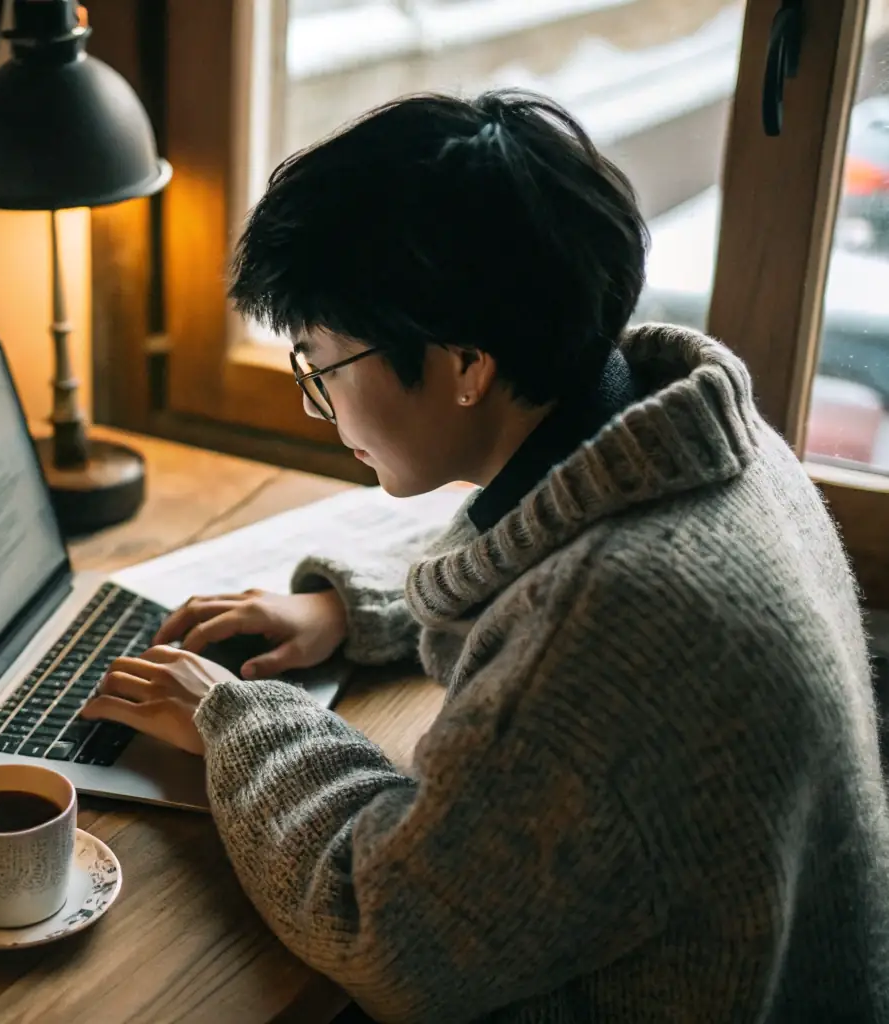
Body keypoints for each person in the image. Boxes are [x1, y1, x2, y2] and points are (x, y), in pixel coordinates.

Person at [81, 91, 889, 1022]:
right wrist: (351, 607)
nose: (321, 406)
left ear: (465, 366)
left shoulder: (614, 620)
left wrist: (233, 719)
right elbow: (551, 533)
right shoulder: (697, 437)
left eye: (321, 366)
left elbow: (390, 935)